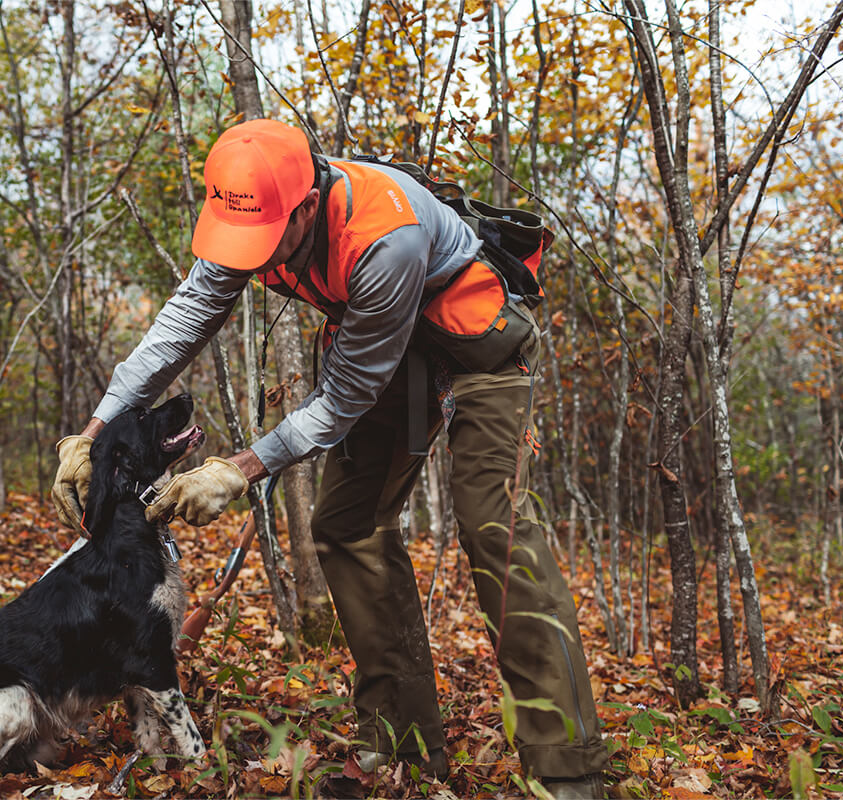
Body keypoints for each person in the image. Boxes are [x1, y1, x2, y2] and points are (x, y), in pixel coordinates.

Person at [51, 119, 608, 798]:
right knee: (347, 525)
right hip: (387, 350)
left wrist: (240, 468)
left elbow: (344, 396)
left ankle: (567, 768)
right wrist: (91, 431)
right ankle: (402, 739)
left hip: (475, 343)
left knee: (494, 525)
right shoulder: (251, 209)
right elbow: (184, 319)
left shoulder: (384, 239)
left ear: (308, 206)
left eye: (262, 241)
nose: (249, 257)